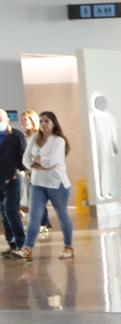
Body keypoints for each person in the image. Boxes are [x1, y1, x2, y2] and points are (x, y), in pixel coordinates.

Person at [18, 111, 74, 261]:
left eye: (46, 121)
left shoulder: (59, 141)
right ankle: (27, 248)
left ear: (53, 123)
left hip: (57, 184)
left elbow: (52, 162)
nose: (43, 124)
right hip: (37, 183)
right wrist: (39, 163)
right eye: (41, 121)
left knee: (62, 215)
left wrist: (38, 161)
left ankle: (68, 246)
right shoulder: (35, 138)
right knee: (34, 217)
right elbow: (25, 159)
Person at [0, 111, 28, 257]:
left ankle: (21, 244)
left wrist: (17, 171)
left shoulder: (16, 135)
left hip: (13, 178)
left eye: (0, 118)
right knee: (4, 213)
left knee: (11, 210)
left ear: (7, 119)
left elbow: (23, 155)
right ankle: (12, 244)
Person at [19, 110, 51, 235]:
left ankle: (44, 223)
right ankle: (42, 223)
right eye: (22, 120)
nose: (23, 122)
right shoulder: (25, 136)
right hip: (28, 171)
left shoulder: (39, 136)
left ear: (33, 121)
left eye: (25, 120)